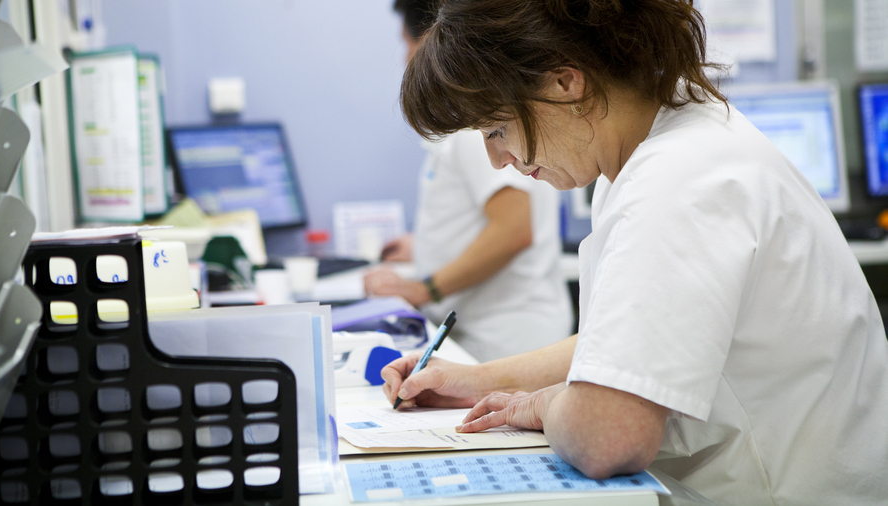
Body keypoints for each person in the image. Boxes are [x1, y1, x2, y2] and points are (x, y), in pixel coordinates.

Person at [380, 0, 888, 504]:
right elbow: (624, 346)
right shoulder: (658, 143)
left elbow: (608, 435)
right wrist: (478, 380)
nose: (496, 159)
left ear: (565, 84)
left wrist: (540, 406)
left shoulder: (678, 179)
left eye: (496, 129)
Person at [363, 0, 573, 362]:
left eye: (408, 44)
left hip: (506, 340)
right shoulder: (471, 117)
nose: (405, 59)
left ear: (436, 37)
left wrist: (423, 288)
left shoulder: (476, 118)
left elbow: (514, 229)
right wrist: (430, 245)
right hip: (488, 335)